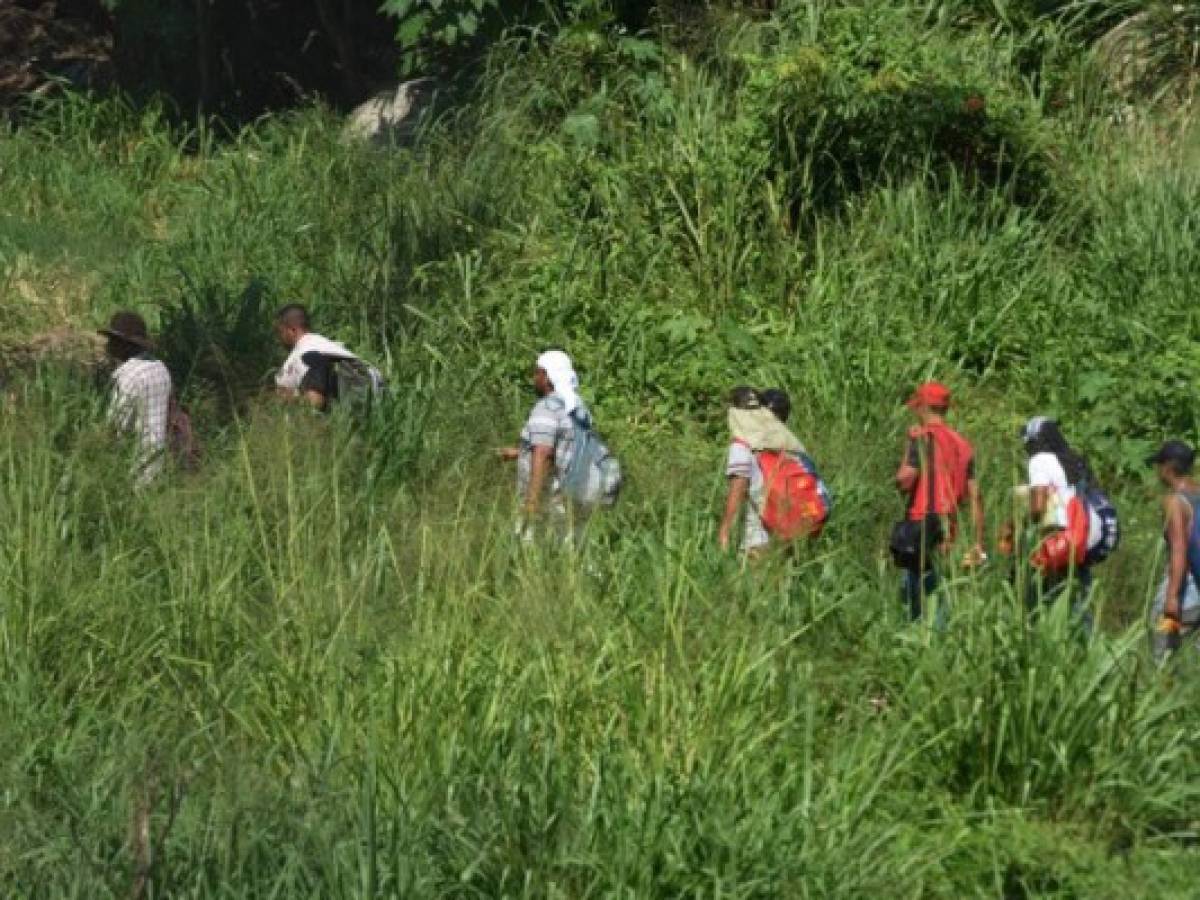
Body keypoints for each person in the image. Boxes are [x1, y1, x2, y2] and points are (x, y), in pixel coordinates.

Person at [497, 350, 617, 546]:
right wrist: (520, 453)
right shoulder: (577, 407)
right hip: (579, 493)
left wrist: (532, 501)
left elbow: (544, 453)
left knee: (530, 549)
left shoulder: (547, 408)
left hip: (551, 497)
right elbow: (565, 446)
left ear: (547, 376)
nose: (534, 378)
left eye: (537, 373)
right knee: (573, 551)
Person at [894, 382, 985, 620]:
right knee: (940, 594)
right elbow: (976, 496)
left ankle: (917, 644)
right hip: (949, 527)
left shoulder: (922, 438)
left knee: (913, 599)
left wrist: (907, 445)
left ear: (923, 407)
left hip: (920, 525)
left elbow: (904, 481)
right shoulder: (964, 445)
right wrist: (977, 542)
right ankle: (941, 645)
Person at [1007, 417, 1102, 611]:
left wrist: (1020, 523)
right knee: (1078, 601)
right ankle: (1084, 639)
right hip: (1082, 538)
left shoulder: (1039, 460)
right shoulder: (1074, 460)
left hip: (1057, 539)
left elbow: (1038, 506)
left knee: (1045, 598)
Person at [718, 387, 822, 556]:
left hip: (756, 541)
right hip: (785, 535)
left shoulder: (742, 446)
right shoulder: (785, 442)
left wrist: (725, 531)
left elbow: (738, 488)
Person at [100, 311, 173, 487]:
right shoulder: (161, 368)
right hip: (161, 461)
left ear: (124, 345)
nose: (108, 346)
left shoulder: (128, 376)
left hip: (135, 471)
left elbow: (116, 427)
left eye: (112, 341)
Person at [274, 304, 384, 412]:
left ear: (292, 330)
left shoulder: (307, 354)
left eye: (281, 332)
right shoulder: (326, 346)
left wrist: (289, 398)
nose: (279, 339)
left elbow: (315, 402)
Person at [1147, 440, 1200, 660]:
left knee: (1161, 638)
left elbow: (1179, 549)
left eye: (1158, 465)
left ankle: (1160, 688)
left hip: (1186, 584)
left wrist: (1171, 597)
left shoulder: (1174, 501)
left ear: (1167, 467)